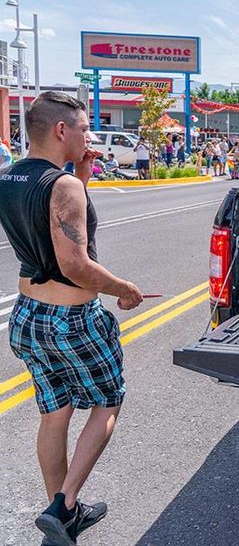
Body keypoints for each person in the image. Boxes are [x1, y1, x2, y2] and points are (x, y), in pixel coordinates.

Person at [0, 91, 143, 545]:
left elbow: (39, 225)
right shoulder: (62, 187)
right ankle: (64, 505)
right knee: (108, 400)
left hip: (28, 316)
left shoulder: (10, 177)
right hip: (71, 318)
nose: (90, 136)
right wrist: (124, 289)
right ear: (61, 130)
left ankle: (61, 516)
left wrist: (81, 176)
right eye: (84, 129)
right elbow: (75, 264)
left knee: (54, 414)